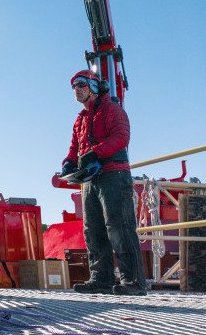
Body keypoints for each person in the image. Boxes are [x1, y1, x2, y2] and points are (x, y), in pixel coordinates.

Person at [60, 69, 146, 296]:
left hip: (113, 175)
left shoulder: (112, 110)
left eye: (81, 84)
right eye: (73, 86)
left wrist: (95, 153)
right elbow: (74, 148)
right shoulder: (80, 118)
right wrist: (69, 162)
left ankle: (133, 282)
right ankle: (101, 279)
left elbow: (121, 137)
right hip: (89, 180)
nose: (76, 89)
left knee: (119, 227)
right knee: (93, 230)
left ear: (95, 87)